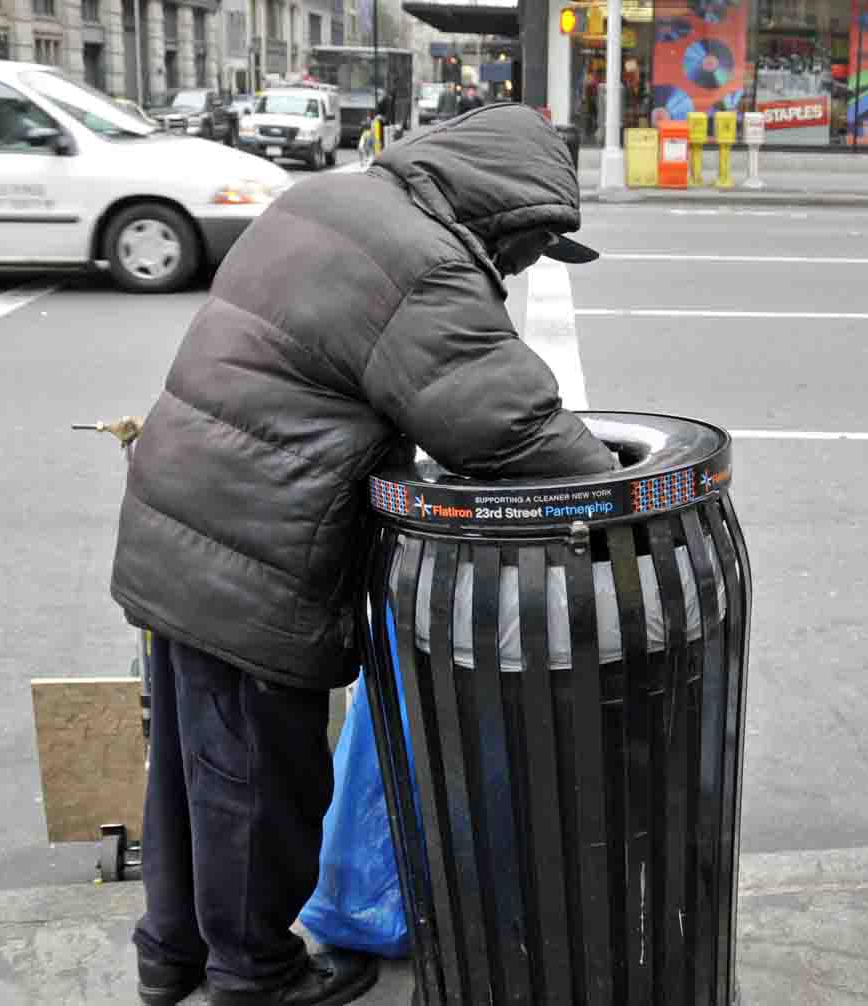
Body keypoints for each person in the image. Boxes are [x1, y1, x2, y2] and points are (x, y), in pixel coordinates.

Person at [112, 102, 617, 1006]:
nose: (521, 265)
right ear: (501, 204)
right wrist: (615, 485)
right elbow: (502, 426)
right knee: (263, 780)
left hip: (184, 508)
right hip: (253, 546)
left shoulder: (333, 199)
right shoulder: (422, 266)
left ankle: (172, 955)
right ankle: (253, 975)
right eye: (530, 242)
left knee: (194, 770)